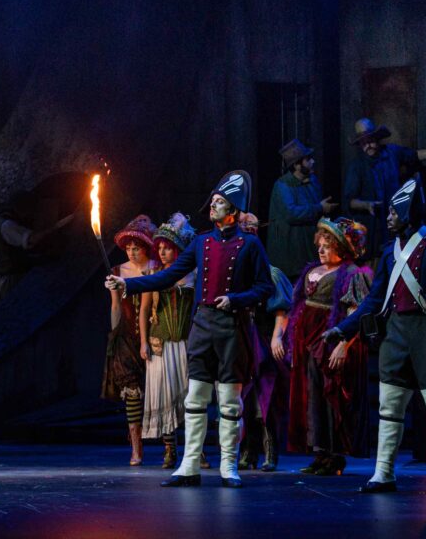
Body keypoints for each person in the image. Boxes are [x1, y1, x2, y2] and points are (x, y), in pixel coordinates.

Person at [106, 170, 274, 487]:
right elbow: (165, 277)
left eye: (219, 202)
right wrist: (127, 283)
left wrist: (237, 299)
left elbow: (265, 288)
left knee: (228, 402)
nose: (212, 206)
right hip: (202, 327)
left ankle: (229, 466)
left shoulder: (250, 245)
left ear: (233, 211)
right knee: (194, 399)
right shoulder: (201, 242)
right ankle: (188, 466)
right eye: (213, 200)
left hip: (230, 330)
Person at [324, 178, 426, 494]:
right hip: (395, 334)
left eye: (395, 212)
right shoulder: (389, 253)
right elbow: (373, 300)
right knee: (389, 408)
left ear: (409, 212)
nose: (389, 217)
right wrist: (345, 327)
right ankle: (383, 473)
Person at [283, 218, 371, 476]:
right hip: (306, 340)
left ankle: (335, 456)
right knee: (310, 396)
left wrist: (344, 344)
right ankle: (318, 453)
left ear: (341, 248)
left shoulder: (353, 274)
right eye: (319, 246)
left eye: (327, 246)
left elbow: (357, 313)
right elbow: (298, 307)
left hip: (331, 338)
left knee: (331, 395)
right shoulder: (312, 271)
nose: (320, 251)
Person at [236, 212, 293, 473]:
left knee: (266, 398)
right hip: (243, 340)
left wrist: (276, 337)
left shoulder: (270, 273)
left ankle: (270, 453)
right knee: (244, 398)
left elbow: (282, 309)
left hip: (264, 339)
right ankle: (247, 452)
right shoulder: (236, 272)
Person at [140, 214, 195, 469]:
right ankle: (170, 449)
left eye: (167, 248)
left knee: (189, 396)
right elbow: (144, 311)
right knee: (164, 396)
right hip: (160, 341)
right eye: (159, 248)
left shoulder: (193, 276)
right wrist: (143, 342)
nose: (162, 252)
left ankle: (194, 450)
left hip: (185, 341)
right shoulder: (154, 275)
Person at [104, 215, 158, 465]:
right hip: (126, 337)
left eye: (136, 247)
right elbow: (116, 307)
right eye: (128, 248)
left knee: (161, 391)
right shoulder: (118, 272)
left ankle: (172, 446)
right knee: (133, 392)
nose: (132, 252)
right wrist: (114, 336)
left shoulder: (157, 269)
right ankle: (136, 447)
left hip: (155, 335)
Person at [342, 119, 420, 258]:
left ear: (377, 138)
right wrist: (366, 205)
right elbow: (349, 201)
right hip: (371, 228)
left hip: (394, 223)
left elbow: (415, 155)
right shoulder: (356, 166)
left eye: (370, 140)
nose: (368, 146)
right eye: (363, 143)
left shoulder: (391, 153)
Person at [267, 140, 338, 279]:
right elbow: (291, 213)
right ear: (297, 165)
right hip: (292, 253)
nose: (313, 162)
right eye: (308, 159)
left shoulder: (313, 181)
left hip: (309, 248)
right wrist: (319, 208)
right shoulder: (283, 185)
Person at [0, 193, 78, 302]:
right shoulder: (7, 226)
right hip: (12, 281)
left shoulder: (0, 223)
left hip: (9, 279)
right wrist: (53, 227)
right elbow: (31, 239)